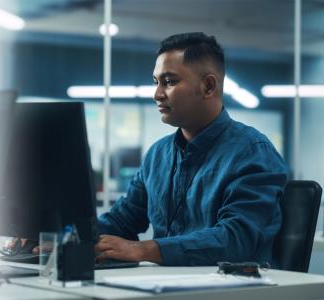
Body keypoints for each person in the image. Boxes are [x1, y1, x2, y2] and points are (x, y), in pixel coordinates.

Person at [95, 32, 288, 266]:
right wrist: (70, 238)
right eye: (156, 82)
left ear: (208, 86)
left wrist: (144, 250)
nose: (157, 94)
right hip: (165, 287)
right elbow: (123, 220)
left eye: (169, 82)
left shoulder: (252, 152)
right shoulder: (158, 155)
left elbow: (236, 240)